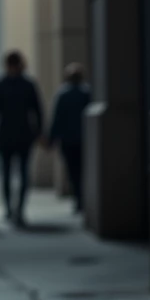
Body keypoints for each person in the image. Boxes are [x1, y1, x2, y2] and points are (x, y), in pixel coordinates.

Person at [0, 51, 44, 225]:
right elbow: (37, 111)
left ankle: (13, 209)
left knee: (10, 173)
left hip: (9, 134)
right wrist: (39, 131)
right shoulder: (27, 85)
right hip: (21, 134)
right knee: (16, 173)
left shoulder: (0, 85)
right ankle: (15, 208)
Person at [48, 63, 91, 211]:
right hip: (84, 139)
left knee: (73, 171)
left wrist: (51, 139)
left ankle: (78, 198)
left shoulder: (63, 94)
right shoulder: (87, 93)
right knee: (83, 169)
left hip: (68, 140)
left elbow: (57, 118)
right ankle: (82, 198)